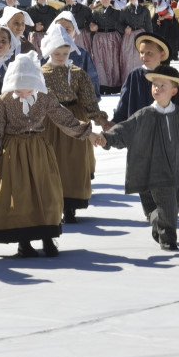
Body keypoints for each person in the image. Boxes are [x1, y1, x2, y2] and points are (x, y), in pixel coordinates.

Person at [0, 51, 98, 258]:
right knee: (21, 196)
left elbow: (64, 119)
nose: (23, 92)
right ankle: (24, 242)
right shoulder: (2, 101)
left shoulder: (45, 97)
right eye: (19, 88)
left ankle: (48, 238)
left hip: (38, 149)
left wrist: (88, 133)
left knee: (47, 194)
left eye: (28, 88)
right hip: (13, 152)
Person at [95, 65, 179, 250]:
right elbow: (125, 129)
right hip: (153, 171)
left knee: (174, 205)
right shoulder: (144, 115)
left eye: (162, 85)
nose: (157, 88)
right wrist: (106, 139)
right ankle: (168, 240)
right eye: (154, 85)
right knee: (167, 206)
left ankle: (156, 219)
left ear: (174, 91)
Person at [40, 25, 109, 223]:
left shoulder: (77, 73)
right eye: (57, 52)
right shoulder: (40, 73)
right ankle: (53, 202)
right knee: (52, 161)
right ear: (49, 51)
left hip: (75, 117)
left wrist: (99, 118)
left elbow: (88, 99)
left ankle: (71, 205)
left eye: (65, 52)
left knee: (74, 163)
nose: (61, 56)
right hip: (50, 121)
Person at [113, 32, 179, 122]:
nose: (144, 56)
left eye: (149, 53)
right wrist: (115, 121)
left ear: (162, 54)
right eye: (142, 52)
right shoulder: (134, 75)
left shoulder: (170, 76)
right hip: (138, 127)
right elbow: (124, 102)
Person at [88, 0, 124, 94]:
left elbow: (121, 25)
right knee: (99, 61)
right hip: (99, 37)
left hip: (113, 37)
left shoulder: (117, 12)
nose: (104, 0)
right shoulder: (95, 12)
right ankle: (102, 85)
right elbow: (91, 24)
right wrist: (92, 27)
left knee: (113, 61)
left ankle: (114, 85)